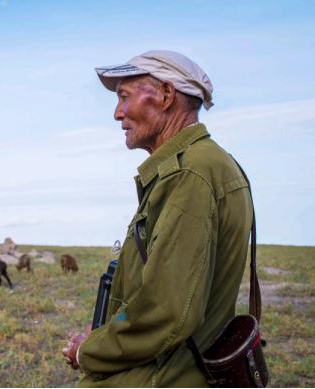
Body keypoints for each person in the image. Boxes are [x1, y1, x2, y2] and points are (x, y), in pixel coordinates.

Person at [61, 50, 253, 387]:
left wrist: (88, 352)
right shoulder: (205, 164)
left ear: (165, 95)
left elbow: (167, 312)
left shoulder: (191, 174)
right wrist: (112, 330)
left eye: (124, 97)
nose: (117, 113)